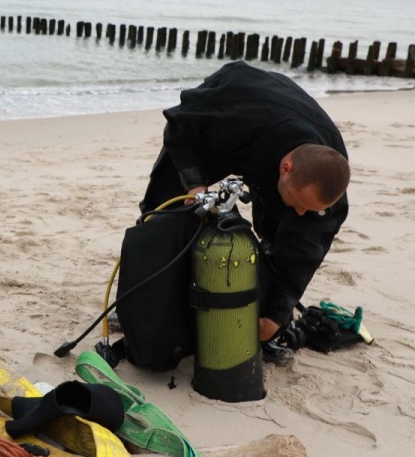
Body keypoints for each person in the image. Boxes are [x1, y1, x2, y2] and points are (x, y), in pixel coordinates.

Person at [139, 60, 350, 363]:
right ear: (286, 169)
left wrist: (276, 316)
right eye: (301, 203)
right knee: (164, 212)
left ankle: (257, 318)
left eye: (312, 208)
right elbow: (179, 128)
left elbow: (305, 251)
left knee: (285, 236)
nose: (302, 212)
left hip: (279, 145)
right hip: (230, 125)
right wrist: (195, 186)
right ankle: (142, 301)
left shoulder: (325, 176)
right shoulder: (235, 112)